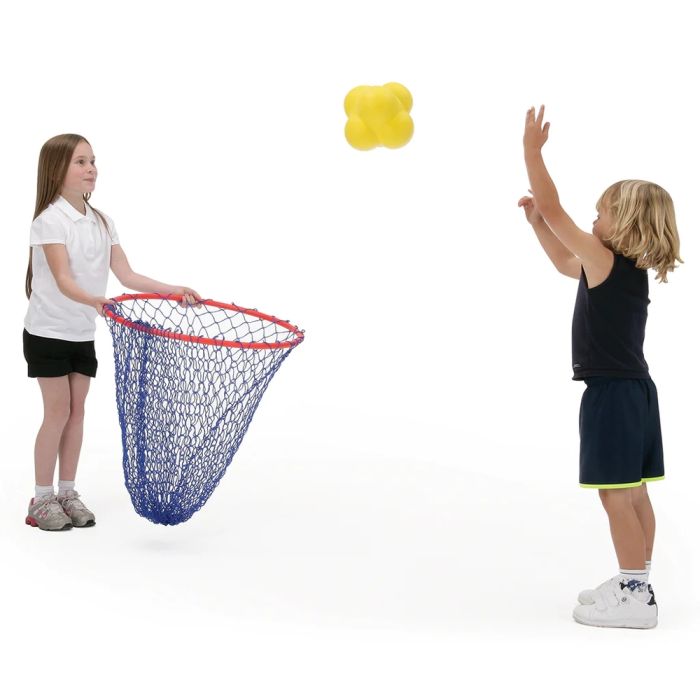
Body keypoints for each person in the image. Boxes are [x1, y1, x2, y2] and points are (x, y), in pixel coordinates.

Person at [519, 106, 682, 629]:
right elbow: (563, 262)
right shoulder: (621, 268)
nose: (592, 220)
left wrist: (532, 153)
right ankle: (639, 583)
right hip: (637, 391)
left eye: (602, 212)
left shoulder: (605, 258)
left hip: (612, 394)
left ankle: (633, 597)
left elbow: (553, 206)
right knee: (635, 494)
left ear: (626, 222)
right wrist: (538, 226)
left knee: (614, 497)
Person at [23, 133, 201, 531]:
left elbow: (126, 274)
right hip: (47, 332)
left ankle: (67, 492)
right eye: (81, 162)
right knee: (57, 411)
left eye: (92, 161)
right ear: (56, 171)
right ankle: (42, 497)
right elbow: (63, 279)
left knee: (77, 412)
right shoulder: (49, 221)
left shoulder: (103, 222)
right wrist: (94, 301)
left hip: (80, 333)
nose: (91, 169)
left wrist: (172, 290)